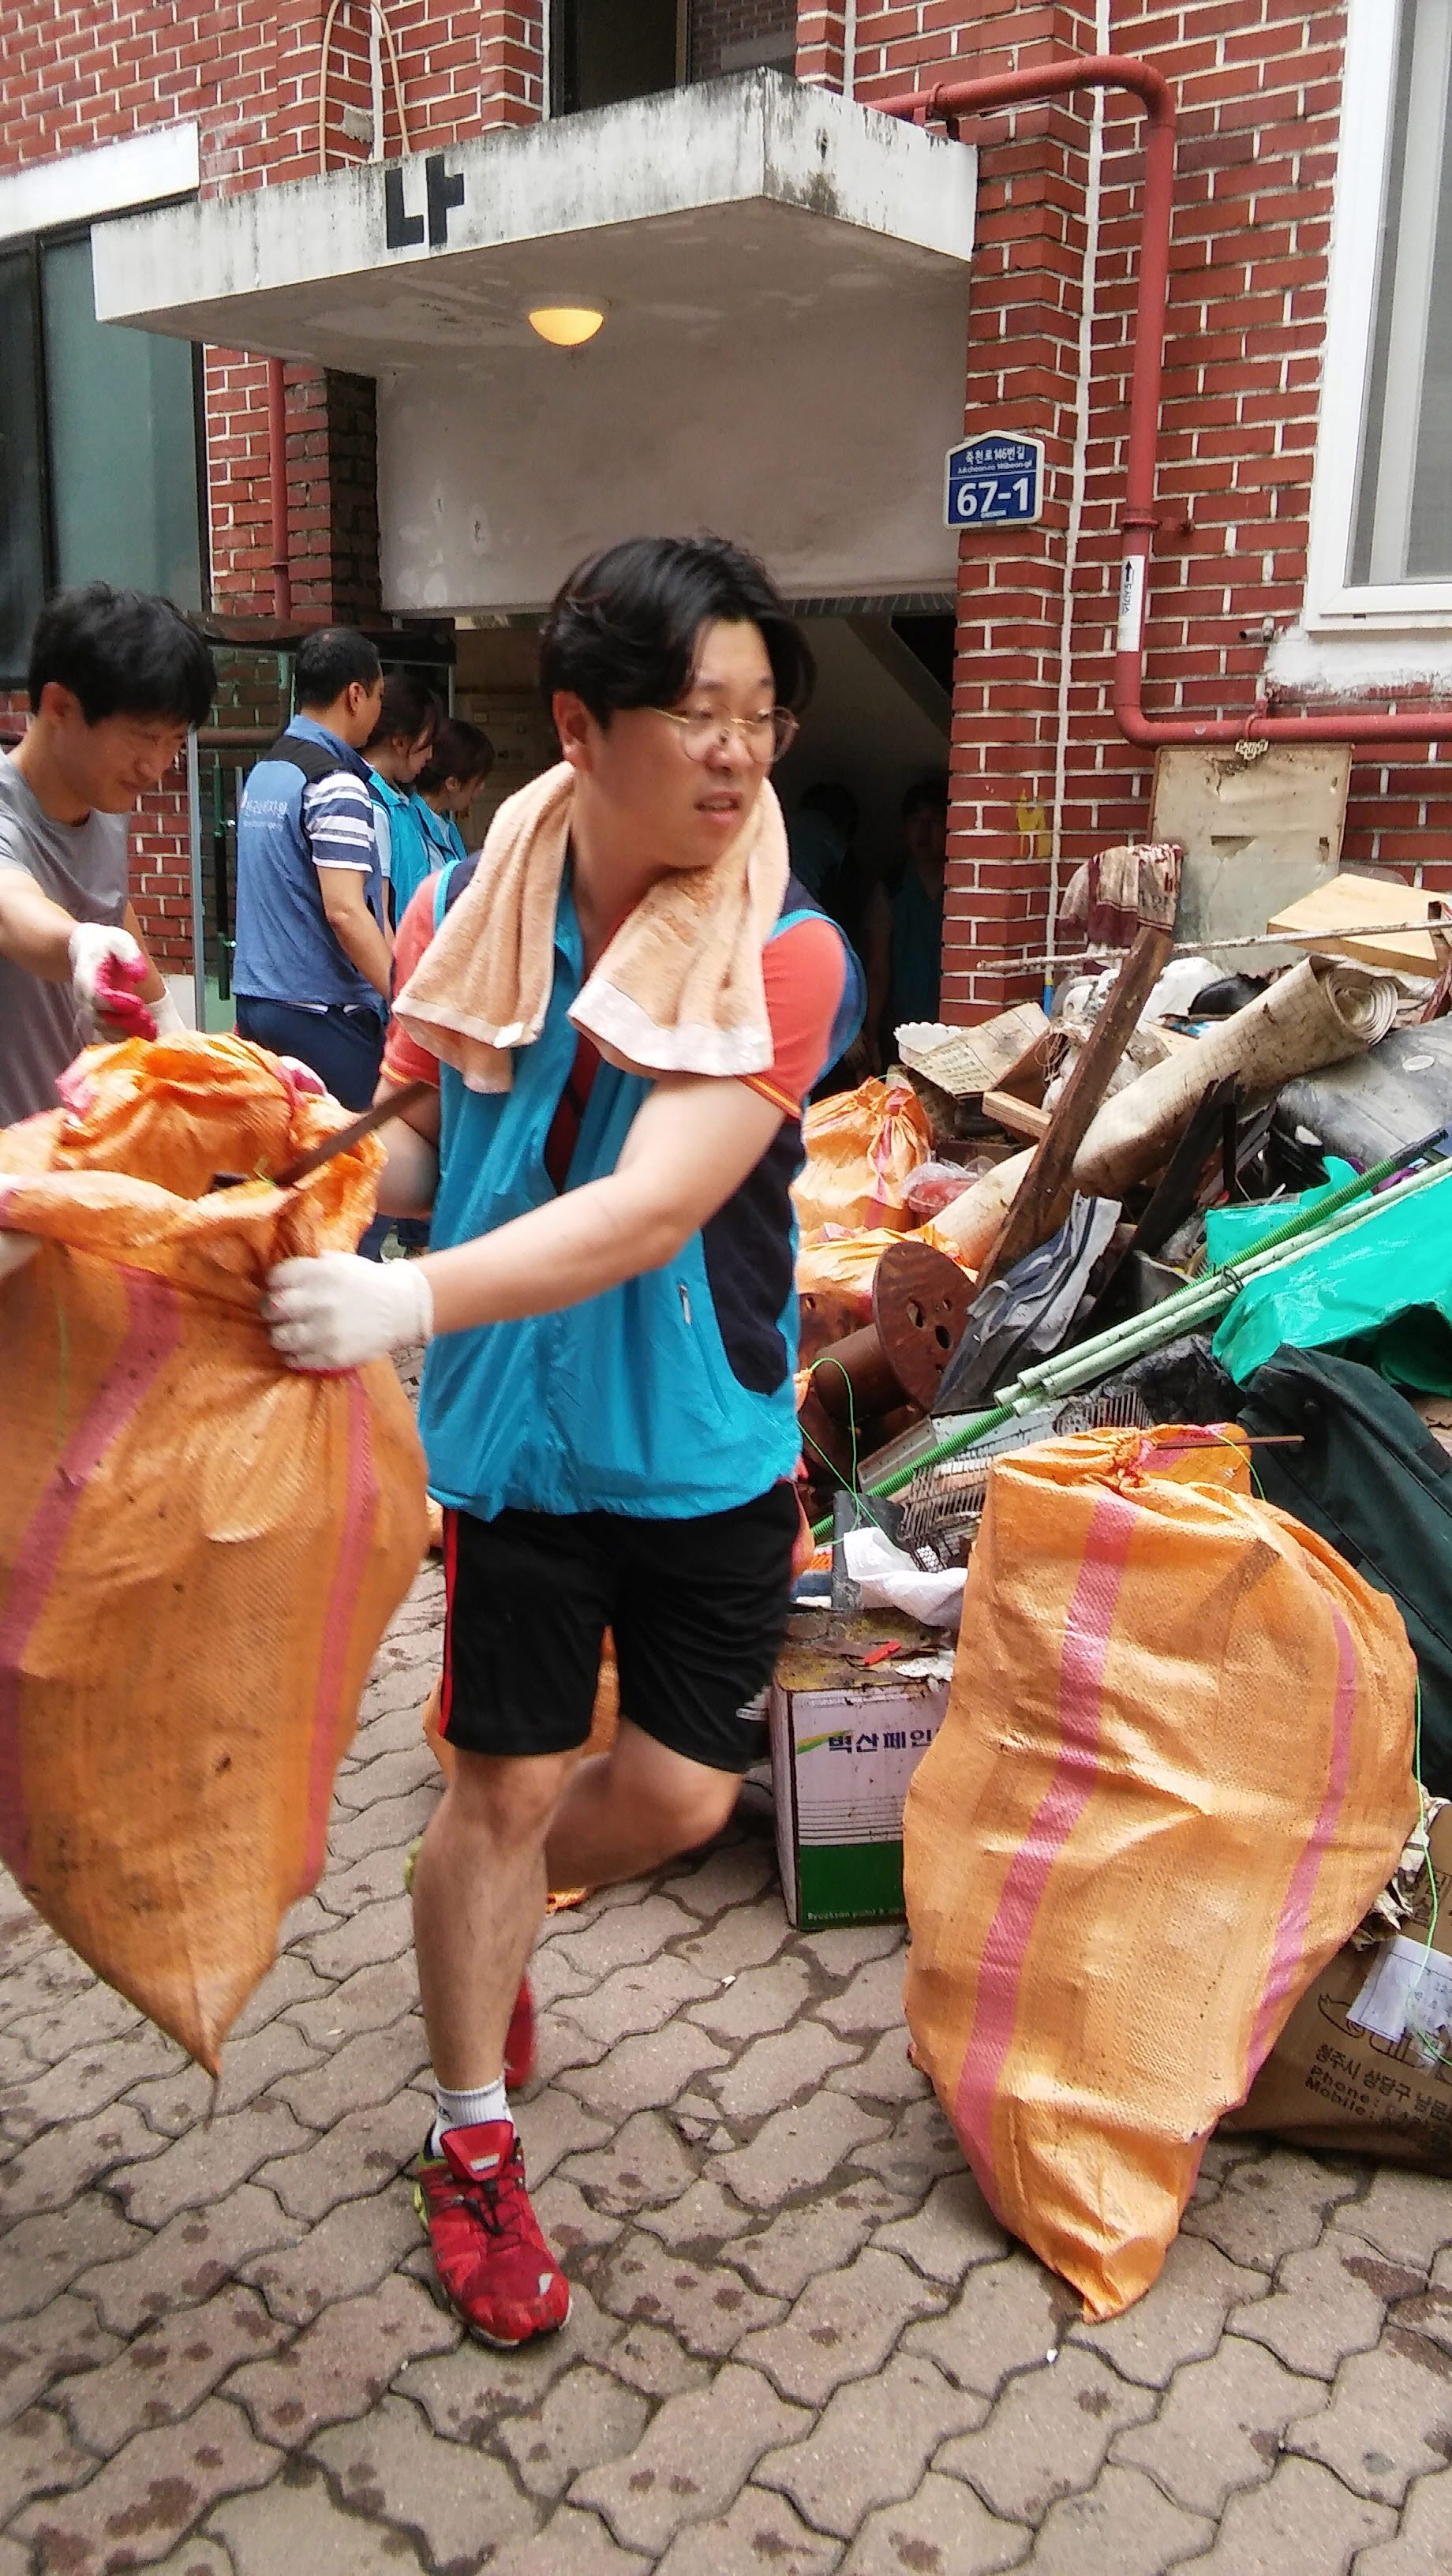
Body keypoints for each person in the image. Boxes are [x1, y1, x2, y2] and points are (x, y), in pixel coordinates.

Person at [260, 536, 862, 2352]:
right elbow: (432, 1143)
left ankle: (479, 1902)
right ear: (583, 728)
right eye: (697, 713)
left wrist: (402, 1302)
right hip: (516, 1456)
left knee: (672, 1800)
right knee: (501, 1795)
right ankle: (468, 2140)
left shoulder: (785, 950)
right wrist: (321, 1170)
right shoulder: (464, 910)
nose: (736, 752)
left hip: (705, 1449)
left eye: (760, 715)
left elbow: (651, 1207)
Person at [0, 584, 215, 1130]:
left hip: (77, 1143)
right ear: (60, 707)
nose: (155, 767)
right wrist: (78, 945)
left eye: (174, 741)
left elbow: (112, 910)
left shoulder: (106, 803)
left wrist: (168, 1022)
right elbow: (12, 909)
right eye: (142, 737)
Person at [865, 771, 949, 1055]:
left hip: (950, 1027)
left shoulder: (964, 888)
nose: (924, 832)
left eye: (934, 821)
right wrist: (871, 1033)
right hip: (902, 1030)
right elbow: (878, 968)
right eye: (915, 822)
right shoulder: (891, 888)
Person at [364, 673, 440, 927]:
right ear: (399, 741)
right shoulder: (374, 807)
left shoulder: (399, 802)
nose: (430, 755)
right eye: (426, 744)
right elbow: (379, 918)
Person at [410, 717, 495, 891]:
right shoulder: (411, 826)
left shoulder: (446, 825)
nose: (482, 789)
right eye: (478, 782)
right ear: (452, 783)